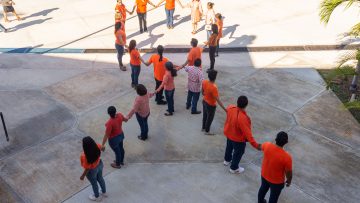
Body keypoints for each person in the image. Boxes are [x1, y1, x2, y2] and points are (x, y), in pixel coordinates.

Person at [223, 96, 262, 174]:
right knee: (238, 152)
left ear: (237, 102)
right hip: (238, 139)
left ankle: (227, 160)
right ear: (246, 105)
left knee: (229, 147)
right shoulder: (243, 118)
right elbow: (248, 135)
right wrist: (256, 145)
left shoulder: (231, 108)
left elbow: (227, 109)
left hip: (229, 133)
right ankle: (234, 168)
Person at [258, 132, 293, 203]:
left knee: (262, 189)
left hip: (264, 175)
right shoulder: (287, 157)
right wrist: (289, 181)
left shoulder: (267, 145)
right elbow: (288, 172)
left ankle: (260, 201)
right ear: (286, 142)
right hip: (276, 182)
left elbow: (259, 147)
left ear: (275, 139)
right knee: (273, 197)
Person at [80, 136, 107, 201]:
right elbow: (103, 148)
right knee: (100, 178)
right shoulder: (97, 146)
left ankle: (97, 197)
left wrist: (82, 176)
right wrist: (102, 148)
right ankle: (104, 192)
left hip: (92, 171)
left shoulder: (84, 156)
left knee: (94, 183)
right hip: (100, 164)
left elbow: (87, 168)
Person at [201, 70, 226, 135]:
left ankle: (203, 128)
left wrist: (205, 94)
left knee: (205, 115)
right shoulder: (214, 88)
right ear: (215, 77)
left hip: (204, 101)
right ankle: (207, 131)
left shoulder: (204, 81)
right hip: (211, 105)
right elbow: (218, 100)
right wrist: (225, 109)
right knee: (210, 118)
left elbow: (202, 92)